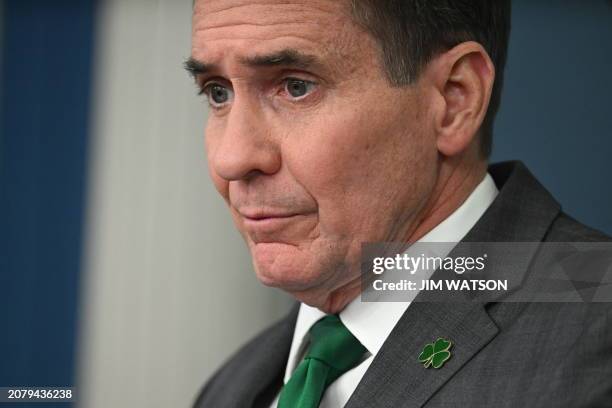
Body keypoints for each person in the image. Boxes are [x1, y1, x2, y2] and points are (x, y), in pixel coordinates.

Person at [186, 1, 612, 407]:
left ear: (454, 99)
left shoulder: (596, 335)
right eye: (217, 92)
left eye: (296, 87)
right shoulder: (230, 387)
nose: (232, 158)